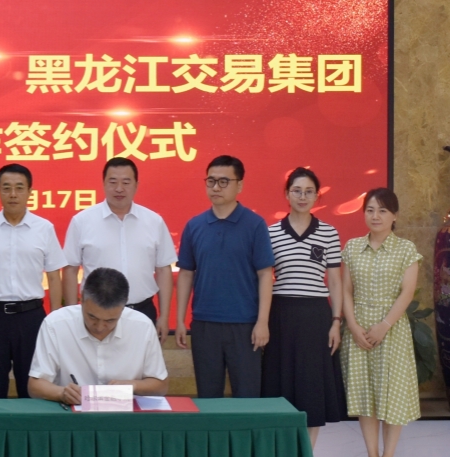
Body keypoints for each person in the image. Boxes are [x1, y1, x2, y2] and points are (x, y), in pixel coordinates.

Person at [174, 155, 275, 399]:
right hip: (204, 324)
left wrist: (262, 322)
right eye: (211, 181)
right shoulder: (195, 226)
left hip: (245, 325)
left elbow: (265, 274)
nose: (216, 187)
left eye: (223, 181)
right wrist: (179, 320)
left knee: (247, 396)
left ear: (239, 185)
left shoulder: (254, 224)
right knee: (208, 397)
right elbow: (186, 274)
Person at [261, 167, 347, 447]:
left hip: (316, 316)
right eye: (297, 191)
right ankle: (284, 453)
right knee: (281, 384)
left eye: (309, 191)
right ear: (287, 194)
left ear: (317, 196)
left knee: (311, 387)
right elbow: (264, 278)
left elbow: (334, 281)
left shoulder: (328, 233)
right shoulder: (271, 233)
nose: (302, 196)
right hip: (280, 315)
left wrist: (336, 321)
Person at [342, 188, 421, 457]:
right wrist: (353, 325)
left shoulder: (406, 249)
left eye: (383, 211)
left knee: (391, 396)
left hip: (392, 331)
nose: (375, 216)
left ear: (394, 215)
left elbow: (407, 293)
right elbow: (346, 290)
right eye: (370, 210)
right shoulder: (352, 247)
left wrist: (384, 326)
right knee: (366, 398)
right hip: (359, 331)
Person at [0, 163, 66, 398]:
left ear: (30, 192)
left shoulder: (44, 228)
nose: (13, 194)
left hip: (31, 318)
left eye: (19, 188)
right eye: (6, 188)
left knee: (32, 388)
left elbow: (54, 277)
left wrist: (55, 323)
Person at [62, 157, 177, 342]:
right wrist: (72, 314)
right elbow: (70, 270)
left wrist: (164, 316)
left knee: (141, 362)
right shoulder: (82, 221)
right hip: (96, 316)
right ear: (103, 183)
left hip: (142, 312)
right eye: (113, 182)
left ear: (136, 185)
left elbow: (163, 270)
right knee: (95, 361)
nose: (119, 188)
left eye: (126, 182)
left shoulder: (153, 221)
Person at [28, 267, 168, 404]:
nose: (100, 328)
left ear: (124, 306)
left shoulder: (142, 326)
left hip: (124, 413)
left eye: (110, 320)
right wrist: (62, 393)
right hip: (73, 412)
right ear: (82, 298)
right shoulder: (55, 324)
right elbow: (35, 386)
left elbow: (161, 385)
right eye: (92, 317)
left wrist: (132, 385)